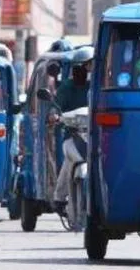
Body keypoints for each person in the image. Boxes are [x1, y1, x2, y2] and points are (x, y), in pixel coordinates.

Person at [52, 51, 93, 215]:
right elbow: (57, 107)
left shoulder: (100, 86)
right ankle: (60, 197)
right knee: (72, 159)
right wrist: (55, 116)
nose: (90, 70)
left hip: (98, 136)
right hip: (73, 135)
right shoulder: (67, 87)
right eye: (87, 66)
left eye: (92, 65)